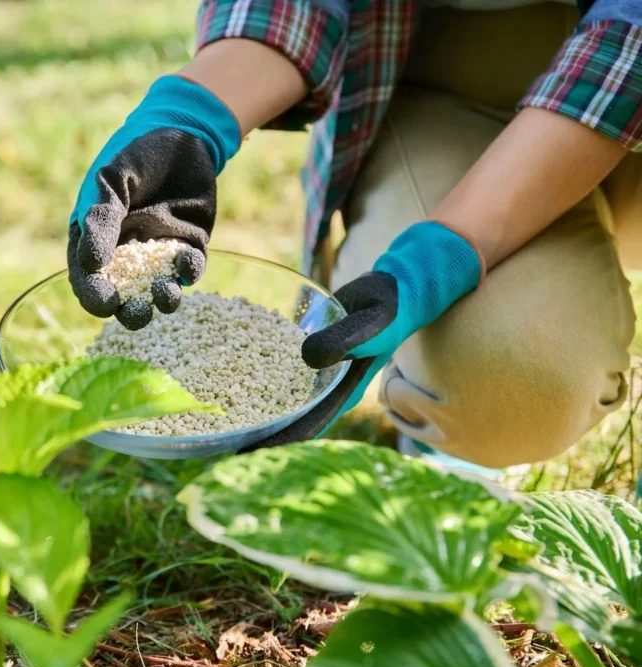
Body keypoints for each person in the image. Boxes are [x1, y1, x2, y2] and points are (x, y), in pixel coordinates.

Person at [66, 0, 642, 471]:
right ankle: (448, 440)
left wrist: (439, 257)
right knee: (518, 375)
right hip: (449, 90)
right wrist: (189, 117)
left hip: (621, 79)